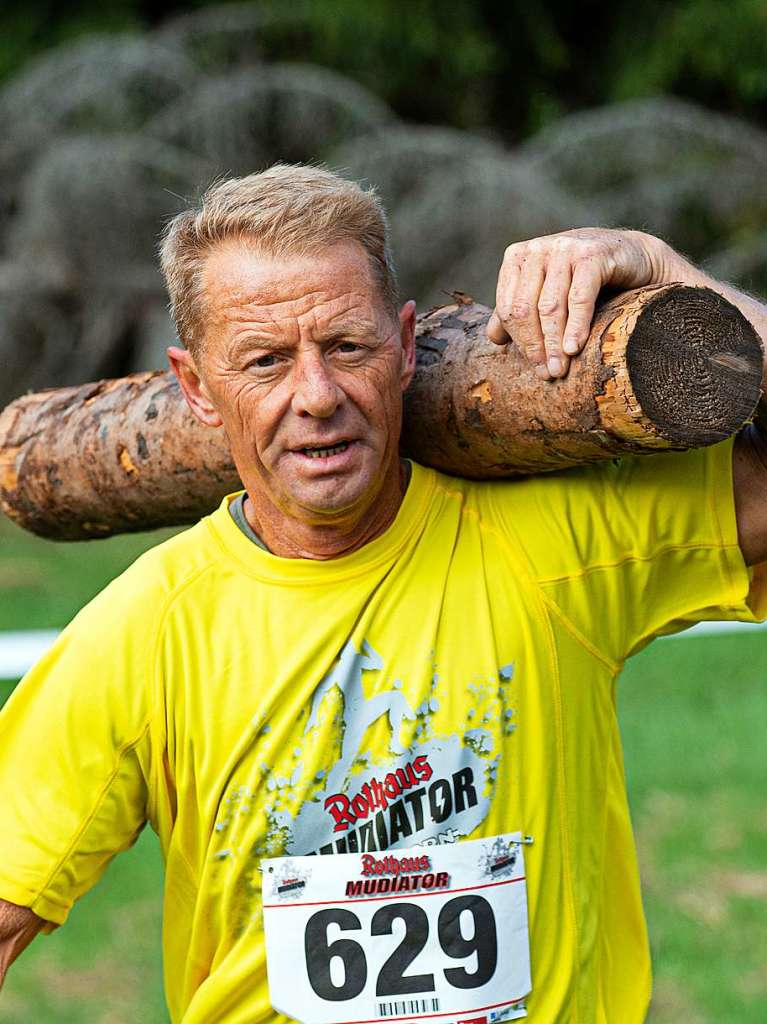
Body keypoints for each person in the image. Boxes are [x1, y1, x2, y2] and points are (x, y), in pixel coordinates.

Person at [0, 164, 765, 1024]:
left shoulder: (553, 542)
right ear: (194, 387)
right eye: (264, 361)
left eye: (346, 346)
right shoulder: (145, 631)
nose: (316, 397)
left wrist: (670, 271)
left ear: (405, 346)